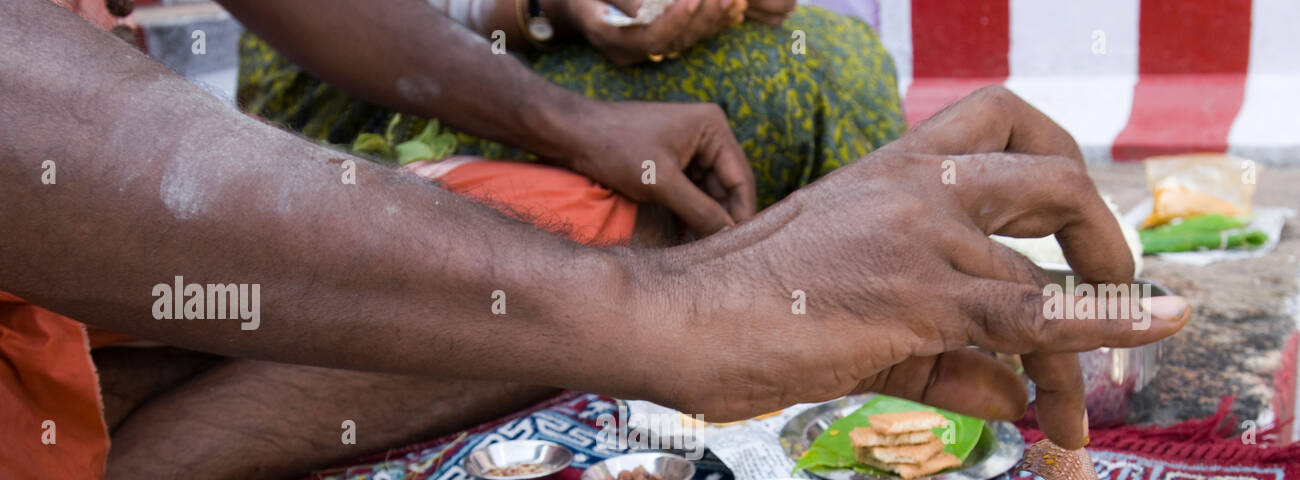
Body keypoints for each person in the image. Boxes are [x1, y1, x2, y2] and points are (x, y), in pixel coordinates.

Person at [0, 0, 1189, 480]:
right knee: (591, 275)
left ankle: (101, 432)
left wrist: (569, 125)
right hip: (77, 160)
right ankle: (83, 460)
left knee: (587, 225)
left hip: (95, 205)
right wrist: (654, 312)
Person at [235, 0, 904, 218]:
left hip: (563, 41)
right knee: (768, 86)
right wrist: (546, 9)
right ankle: (693, 330)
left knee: (843, 53)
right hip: (371, 77)